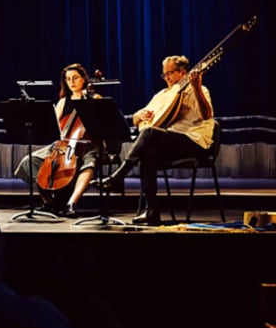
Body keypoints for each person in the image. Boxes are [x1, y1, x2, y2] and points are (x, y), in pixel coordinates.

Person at [100, 54, 214, 225]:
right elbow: (138, 120)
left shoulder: (198, 89)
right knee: (148, 155)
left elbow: (207, 115)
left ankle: (119, 176)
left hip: (194, 142)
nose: (166, 77)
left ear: (183, 73)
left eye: (170, 73)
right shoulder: (162, 95)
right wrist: (138, 115)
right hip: (171, 143)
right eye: (164, 74)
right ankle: (152, 211)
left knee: (149, 133)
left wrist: (196, 87)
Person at [13, 63, 103, 216]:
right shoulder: (63, 102)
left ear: (84, 79)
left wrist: (88, 101)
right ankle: (48, 200)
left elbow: (100, 124)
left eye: (75, 78)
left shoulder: (95, 98)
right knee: (28, 162)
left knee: (89, 164)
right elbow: (55, 127)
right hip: (63, 144)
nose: (72, 82)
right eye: (68, 79)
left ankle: (71, 203)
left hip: (89, 144)